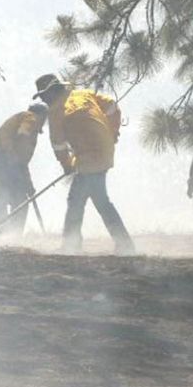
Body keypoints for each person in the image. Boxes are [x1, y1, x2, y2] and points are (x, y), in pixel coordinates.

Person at [32, 74, 135, 254]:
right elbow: (112, 106)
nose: (43, 99)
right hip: (105, 150)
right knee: (99, 200)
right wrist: (113, 131)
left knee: (77, 201)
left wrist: (67, 166)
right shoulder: (83, 94)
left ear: (52, 93)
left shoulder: (56, 113)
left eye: (43, 95)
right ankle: (123, 244)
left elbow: (59, 146)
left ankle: (72, 246)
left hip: (89, 158)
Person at [0, 103, 48, 236]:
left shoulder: (29, 126)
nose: (45, 121)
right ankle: (8, 231)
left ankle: (7, 232)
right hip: (2, 161)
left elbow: (22, 163)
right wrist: (12, 156)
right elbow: (22, 133)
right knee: (10, 198)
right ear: (41, 115)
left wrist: (29, 185)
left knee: (13, 198)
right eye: (45, 117)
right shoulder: (30, 118)